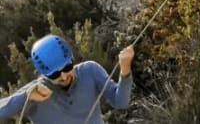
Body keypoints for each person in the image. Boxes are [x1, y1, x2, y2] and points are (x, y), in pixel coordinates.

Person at [0, 34, 134, 123]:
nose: (64, 76)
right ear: (44, 74)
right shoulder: (36, 92)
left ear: (71, 59)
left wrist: (125, 68)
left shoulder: (90, 71)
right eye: (54, 74)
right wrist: (25, 97)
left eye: (66, 67)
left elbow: (120, 102)